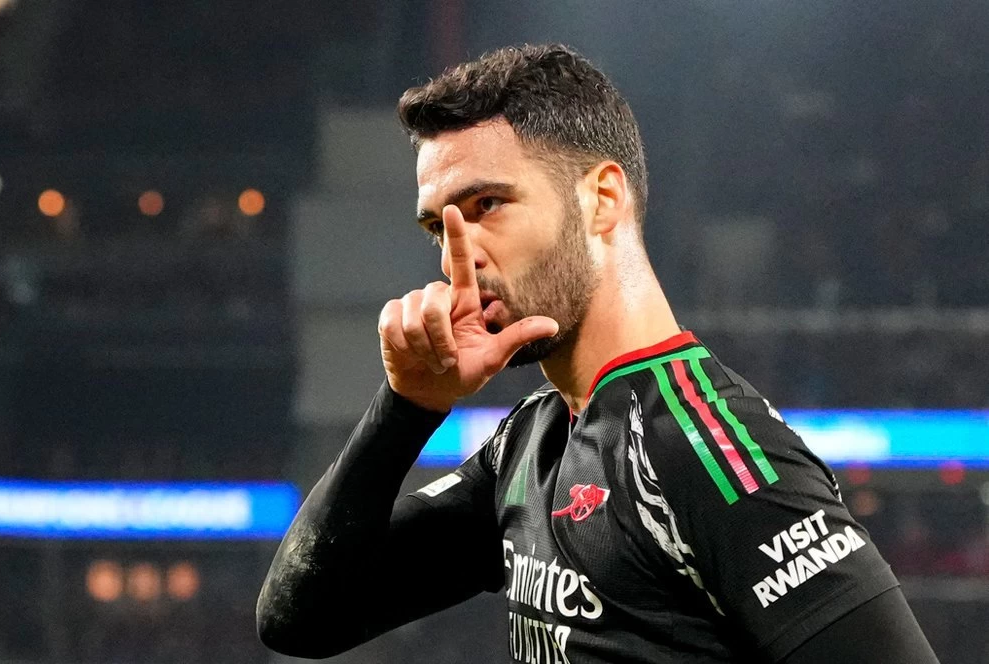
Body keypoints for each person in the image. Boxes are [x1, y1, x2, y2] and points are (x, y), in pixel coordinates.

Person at [256, 44, 938, 663]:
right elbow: (301, 618)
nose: (457, 257)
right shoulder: (530, 441)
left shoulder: (704, 451)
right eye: (439, 227)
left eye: (487, 205)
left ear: (603, 199)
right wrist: (407, 404)